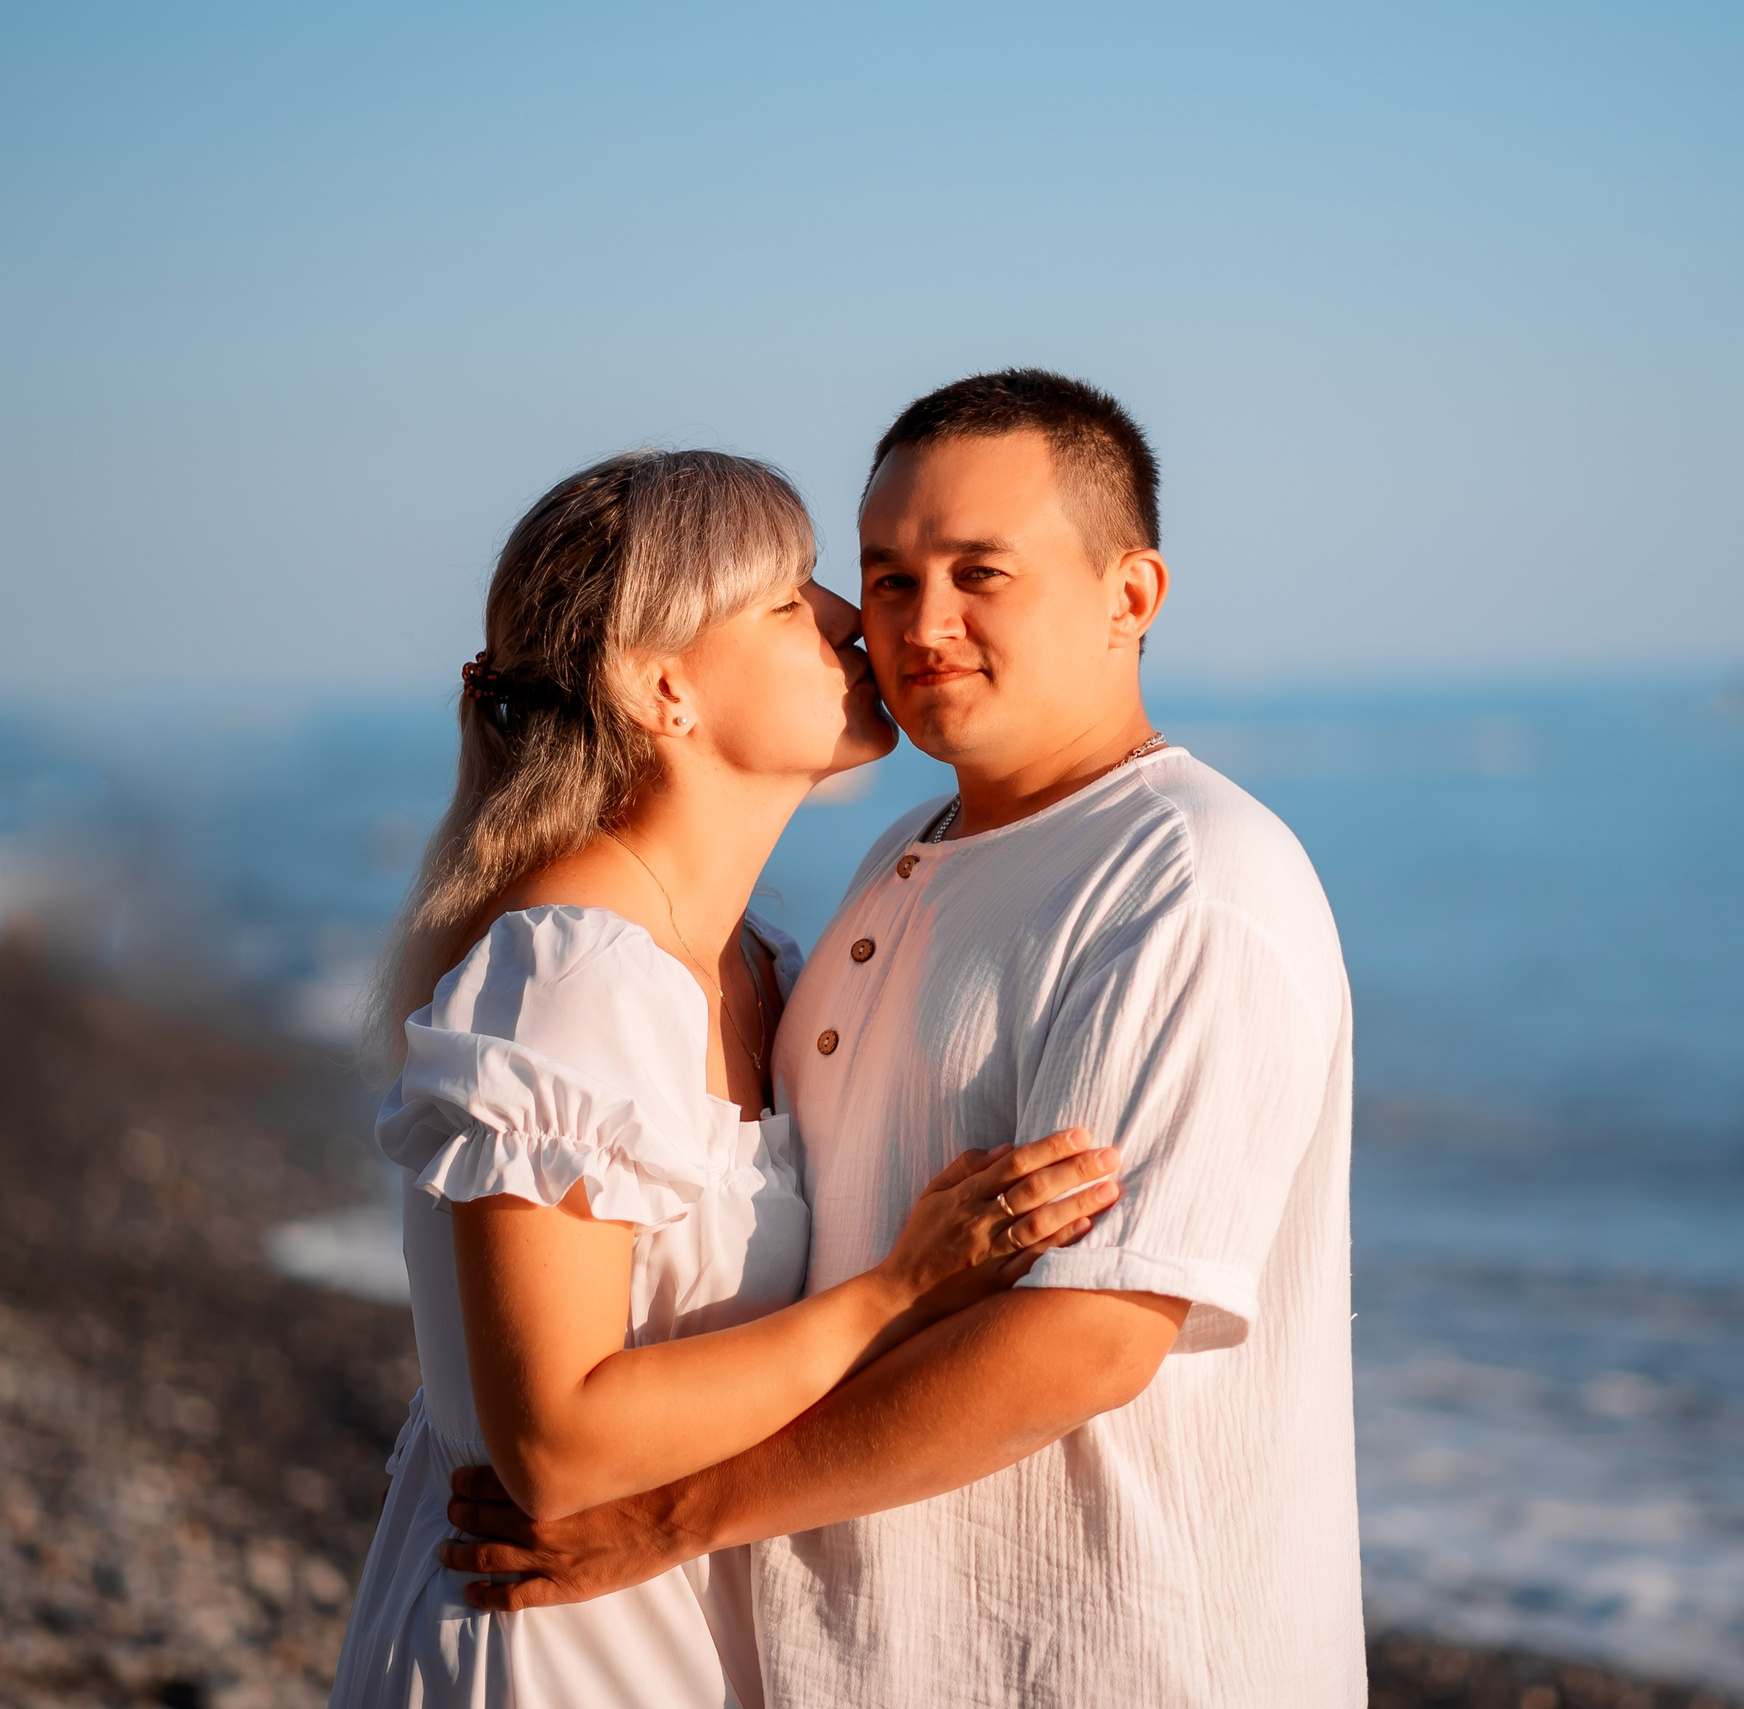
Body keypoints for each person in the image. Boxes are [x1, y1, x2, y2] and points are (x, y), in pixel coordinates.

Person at [440, 372, 1367, 1707]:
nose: (920, 624)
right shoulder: (902, 858)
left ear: (1131, 595)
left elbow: (1091, 1335)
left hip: (1111, 1658)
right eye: (884, 576)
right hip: (870, 1654)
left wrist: (674, 1514)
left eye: (981, 571)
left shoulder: (1190, 882)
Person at [330, 448, 1122, 1709]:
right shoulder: (573, 977)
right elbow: (557, 1443)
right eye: (786, 598)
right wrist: (897, 1290)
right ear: (662, 688)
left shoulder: (756, 960)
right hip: (546, 1643)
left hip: (677, 1623)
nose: (854, 622)